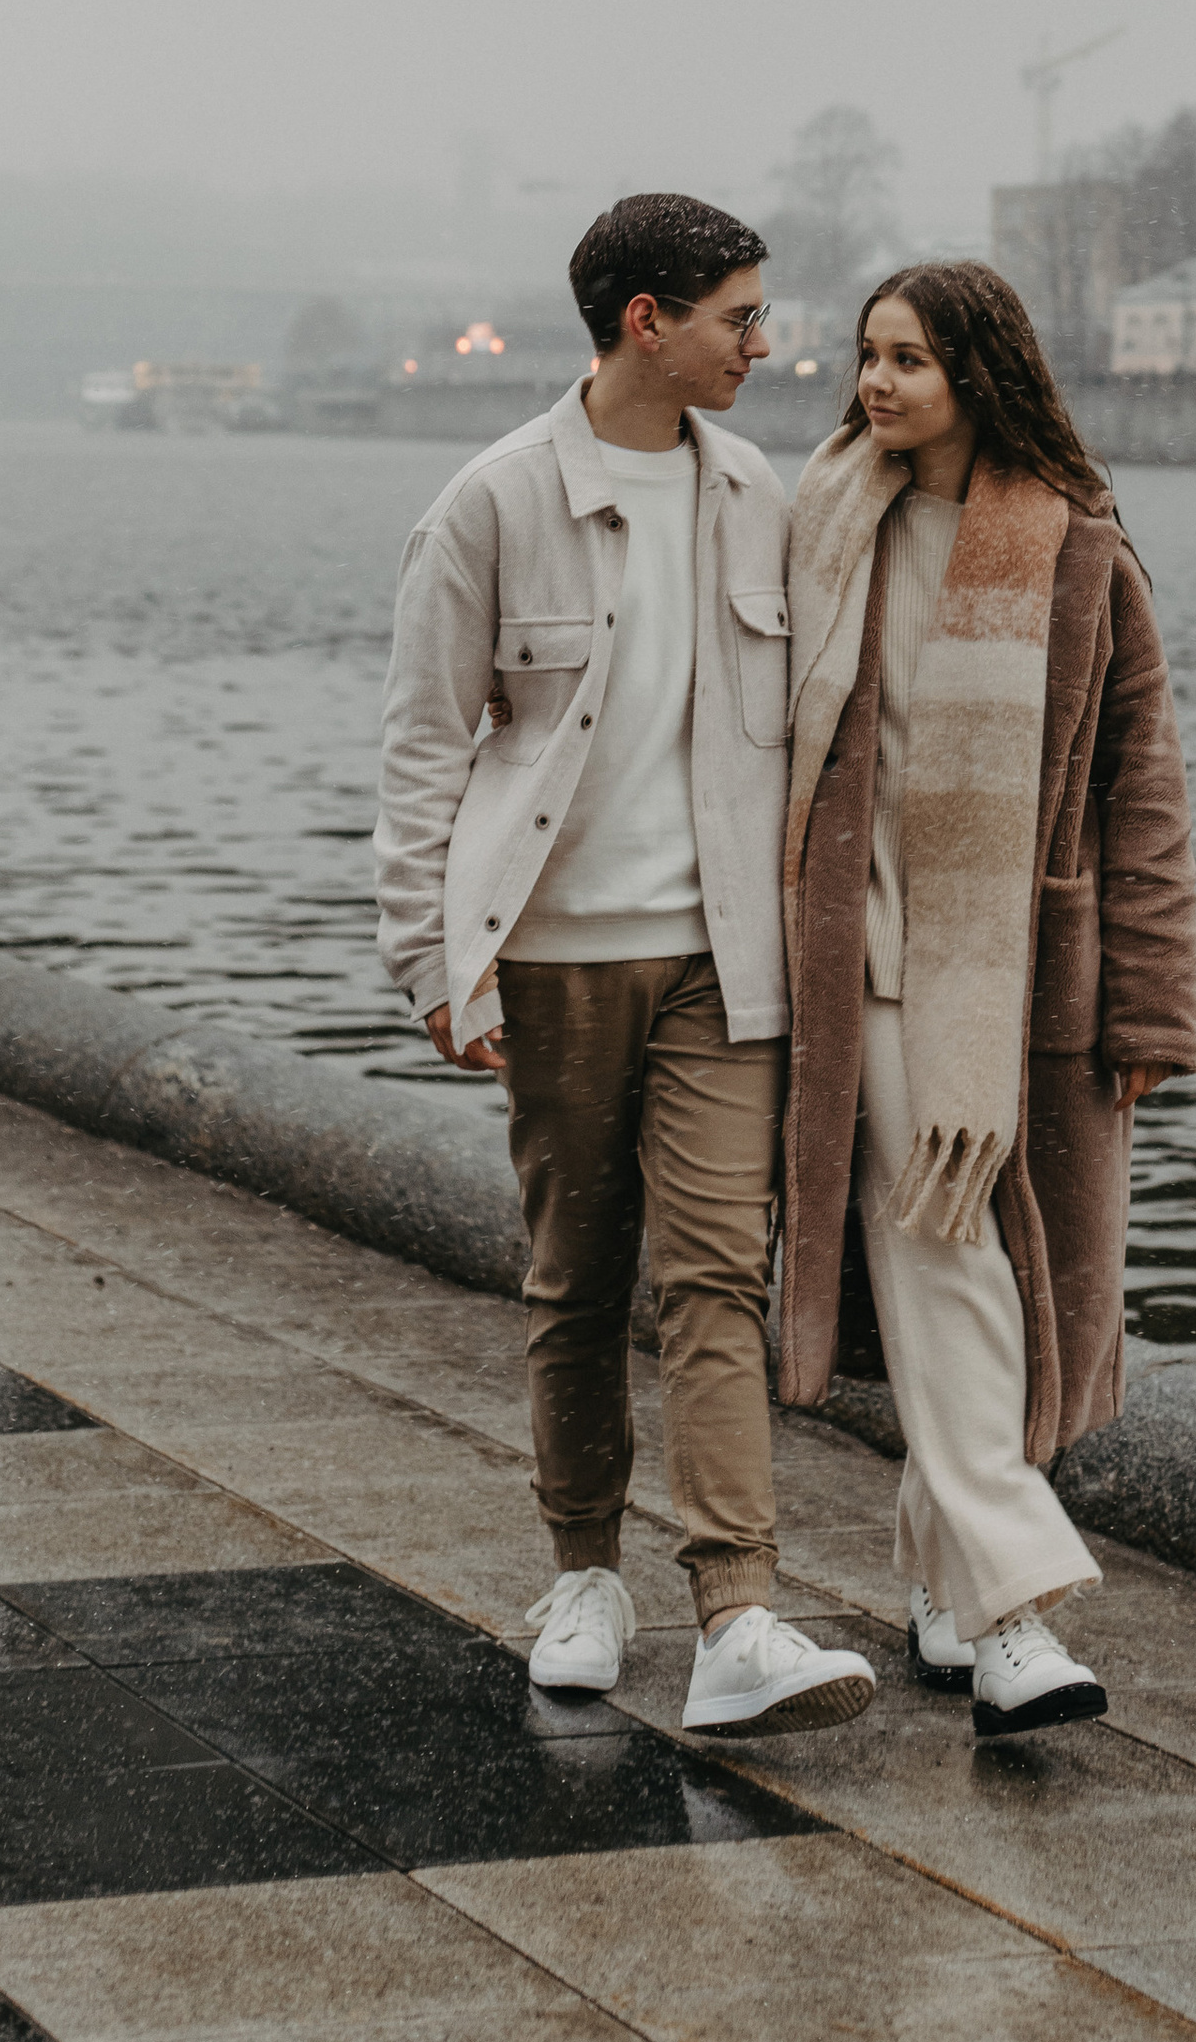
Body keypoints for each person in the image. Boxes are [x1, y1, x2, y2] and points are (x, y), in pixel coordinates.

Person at [373, 192, 874, 1739]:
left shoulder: (757, 497)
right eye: (736, 315)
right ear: (644, 323)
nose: (763, 341)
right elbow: (418, 747)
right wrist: (429, 964)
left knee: (717, 1271)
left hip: (727, 959)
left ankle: (738, 1613)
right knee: (576, 1279)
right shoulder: (495, 503)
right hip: (556, 960)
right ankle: (584, 1573)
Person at [777, 260, 1196, 1737]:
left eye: (908, 361)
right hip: (866, 961)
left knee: (1000, 1283)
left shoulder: (1080, 554)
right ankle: (1018, 1609)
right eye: (865, 356)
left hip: (1026, 982)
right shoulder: (825, 523)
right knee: (946, 1254)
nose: (875, 383)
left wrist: (1150, 1009)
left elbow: (1141, 794)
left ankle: (941, 1583)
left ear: (982, 374)